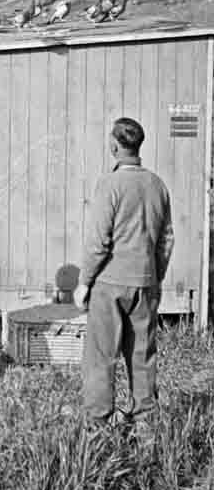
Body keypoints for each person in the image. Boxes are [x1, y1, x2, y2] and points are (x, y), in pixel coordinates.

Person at [74, 117, 174, 428]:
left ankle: (98, 427)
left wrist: (83, 282)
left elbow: (98, 242)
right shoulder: (158, 185)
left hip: (109, 284)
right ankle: (146, 428)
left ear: (115, 146)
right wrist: (154, 277)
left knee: (101, 358)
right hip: (145, 283)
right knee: (143, 356)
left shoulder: (109, 184)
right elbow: (167, 239)